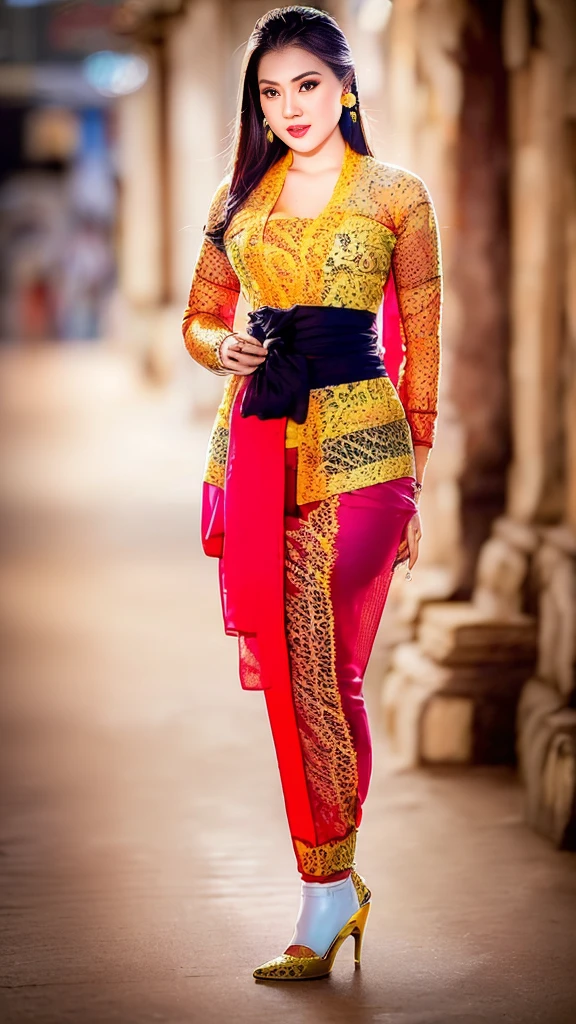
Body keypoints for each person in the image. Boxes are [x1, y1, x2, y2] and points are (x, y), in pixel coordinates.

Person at [182, 5, 442, 981]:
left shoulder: (398, 197)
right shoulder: (239, 199)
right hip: (259, 447)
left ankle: (329, 884)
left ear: (345, 87)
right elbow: (199, 316)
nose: (290, 107)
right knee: (299, 674)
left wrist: (417, 474)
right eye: (270, 92)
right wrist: (226, 348)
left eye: (307, 86)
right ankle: (329, 887)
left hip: (368, 454)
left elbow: (422, 346)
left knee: (328, 663)